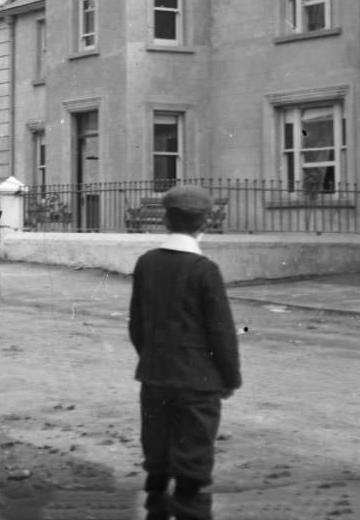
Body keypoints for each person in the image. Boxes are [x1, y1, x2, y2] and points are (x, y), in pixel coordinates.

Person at [129, 185, 242, 520]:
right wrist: (229, 378)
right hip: (198, 384)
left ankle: (156, 510)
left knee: (158, 458)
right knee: (193, 464)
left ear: (166, 219)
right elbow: (221, 333)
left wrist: (152, 359)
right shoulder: (205, 270)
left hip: (155, 377)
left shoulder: (146, 263)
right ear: (205, 222)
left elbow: (137, 325)